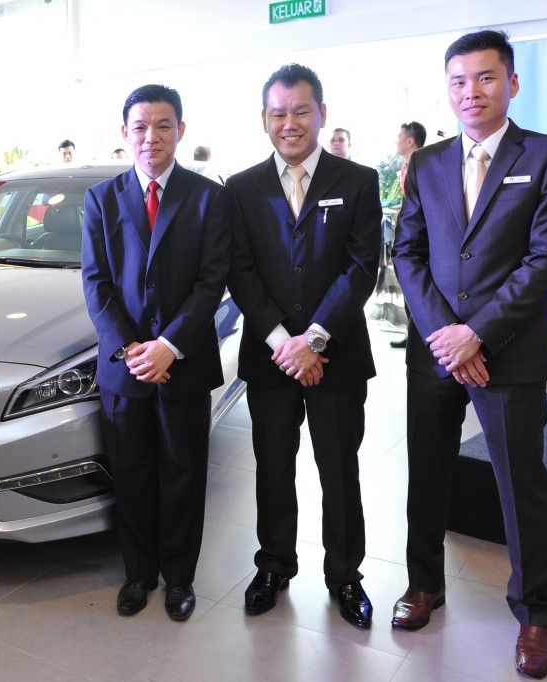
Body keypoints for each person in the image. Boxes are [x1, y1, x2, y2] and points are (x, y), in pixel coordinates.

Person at [392, 30, 547, 679]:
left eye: (485, 78)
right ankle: (424, 584)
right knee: (426, 473)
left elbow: (546, 259)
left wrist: (477, 333)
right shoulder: (427, 163)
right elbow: (406, 252)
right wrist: (445, 334)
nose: (471, 92)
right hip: (436, 349)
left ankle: (538, 613)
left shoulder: (544, 157)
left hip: (509, 352)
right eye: (458, 81)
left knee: (523, 485)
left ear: (511, 83)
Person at [225, 64, 381, 629]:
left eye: (300, 111)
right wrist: (282, 342)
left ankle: (345, 575)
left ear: (321, 113)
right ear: (264, 119)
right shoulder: (240, 188)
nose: (289, 123)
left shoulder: (358, 180)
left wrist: (312, 341)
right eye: (278, 113)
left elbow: (363, 267)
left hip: (335, 357)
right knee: (272, 469)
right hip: (269, 360)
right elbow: (240, 271)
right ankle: (274, 565)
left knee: (339, 470)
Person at [81, 84, 229, 622]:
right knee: (134, 474)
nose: (151, 137)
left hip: (182, 363)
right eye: (140, 127)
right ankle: (138, 574)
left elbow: (212, 282)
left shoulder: (209, 196)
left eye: (163, 125)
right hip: (124, 369)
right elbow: (96, 284)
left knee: (184, 473)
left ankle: (179, 578)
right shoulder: (102, 199)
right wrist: (130, 349)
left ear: (181, 131)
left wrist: (168, 346)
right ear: (125, 134)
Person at [388, 120, 427, 350]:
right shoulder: (405, 166)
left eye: (399, 136)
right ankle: (411, 332)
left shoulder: (424, 165)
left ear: (410, 140)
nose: (397, 141)